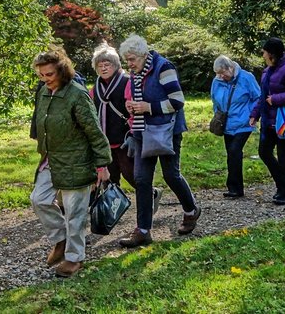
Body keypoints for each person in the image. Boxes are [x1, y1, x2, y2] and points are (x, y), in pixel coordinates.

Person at [29, 47, 111, 278]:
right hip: (52, 159)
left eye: (49, 75)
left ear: (62, 71)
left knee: (75, 212)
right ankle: (60, 240)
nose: (45, 79)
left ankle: (75, 258)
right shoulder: (44, 92)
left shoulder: (77, 94)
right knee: (39, 199)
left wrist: (102, 165)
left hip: (77, 161)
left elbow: (95, 132)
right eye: (41, 75)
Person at [117, 35, 201, 248]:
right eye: (127, 60)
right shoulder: (136, 73)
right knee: (141, 179)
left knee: (171, 175)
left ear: (144, 54)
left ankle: (191, 211)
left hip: (166, 131)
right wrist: (132, 106)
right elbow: (139, 98)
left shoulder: (164, 67)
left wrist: (147, 107)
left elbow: (177, 101)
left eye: (133, 59)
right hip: (142, 130)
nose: (130, 64)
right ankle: (143, 230)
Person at [249, 37, 285, 205]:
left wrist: (276, 99)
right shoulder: (268, 70)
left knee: (284, 156)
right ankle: (282, 185)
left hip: (284, 120)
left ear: (271, 53)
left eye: (265, 51)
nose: (263, 54)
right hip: (268, 120)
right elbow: (262, 95)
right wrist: (255, 114)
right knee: (264, 152)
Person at [211, 55, 262, 199]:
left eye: (223, 73)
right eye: (218, 74)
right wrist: (217, 114)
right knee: (231, 154)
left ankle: (235, 188)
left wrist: (252, 114)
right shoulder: (217, 81)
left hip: (243, 123)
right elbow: (214, 99)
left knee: (234, 151)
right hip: (226, 123)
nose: (221, 76)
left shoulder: (246, 78)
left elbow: (258, 97)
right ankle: (235, 188)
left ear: (231, 68)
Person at [91, 44, 136, 188]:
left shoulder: (127, 81)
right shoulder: (95, 88)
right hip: (105, 142)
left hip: (124, 138)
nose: (103, 68)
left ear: (115, 65)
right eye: (100, 65)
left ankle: (151, 195)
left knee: (132, 175)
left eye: (107, 64)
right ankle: (114, 208)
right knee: (110, 181)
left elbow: (133, 109)